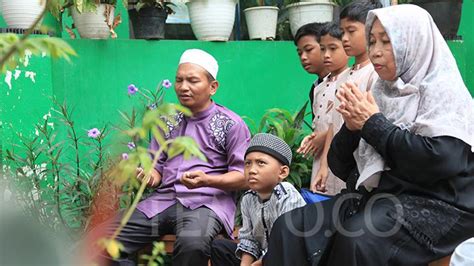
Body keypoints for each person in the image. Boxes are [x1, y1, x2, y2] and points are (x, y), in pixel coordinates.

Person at [264, 4, 474, 266]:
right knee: (291, 226)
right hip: (383, 198)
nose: (375, 51)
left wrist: (372, 124)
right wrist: (352, 128)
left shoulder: (443, 93)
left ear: (414, 43)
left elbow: (442, 162)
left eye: (387, 42)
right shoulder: (380, 92)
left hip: (440, 204)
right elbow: (341, 167)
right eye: (372, 41)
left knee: (358, 239)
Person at [91, 49, 251, 266]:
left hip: (206, 205)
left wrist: (207, 180)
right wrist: (150, 176)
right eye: (179, 80)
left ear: (213, 87)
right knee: (96, 244)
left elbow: (244, 176)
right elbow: (156, 167)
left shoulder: (231, 124)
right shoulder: (166, 120)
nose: (183, 87)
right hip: (161, 202)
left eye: (192, 80)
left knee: (193, 246)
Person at [210, 133, 306, 266]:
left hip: (288, 258)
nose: (252, 170)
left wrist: (259, 264)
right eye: (248, 164)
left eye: (261, 163)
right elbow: (249, 240)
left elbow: (288, 242)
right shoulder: (248, 198)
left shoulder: (286, 193)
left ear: (282, 172)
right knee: (219, 247)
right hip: (262, 258)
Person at [299, 22, 349, 195]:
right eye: (323, 49)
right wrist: (312, 138)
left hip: (341, 160)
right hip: (320, 161)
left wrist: (324, 136)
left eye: (333, 48)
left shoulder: (351, 80)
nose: (326, 55)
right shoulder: (318, 87)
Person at [331, 0, 382, 131]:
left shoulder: (375, 73)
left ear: (371, 30)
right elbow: (334, 124)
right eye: (342, 32)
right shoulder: (342, 76)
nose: (345, 38)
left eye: (351, 31)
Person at [294, 22, 330, 119]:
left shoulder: (346, 83)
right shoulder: (315, 88)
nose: (303, 57)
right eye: (299, 53)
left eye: (309, 49)